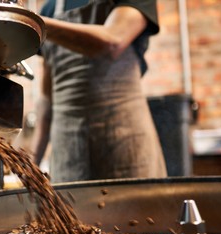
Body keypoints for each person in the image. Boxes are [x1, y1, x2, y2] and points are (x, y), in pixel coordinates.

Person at [30, 0, 167, 183]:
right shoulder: (49, 9)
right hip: (67, 147)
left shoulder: (43, 20)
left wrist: (32, 22)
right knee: (69, 211)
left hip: (123, 141)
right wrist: (31, 163)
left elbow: (113, 41)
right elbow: (47, 97)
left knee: (135, 210)